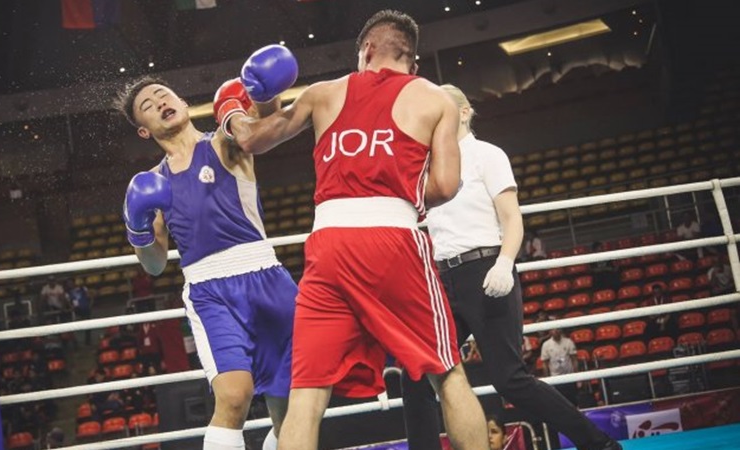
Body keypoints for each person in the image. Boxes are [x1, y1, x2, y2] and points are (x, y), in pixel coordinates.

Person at [218, 10, 487, 450]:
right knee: (446, 371)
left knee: (306, 394)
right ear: (412, 60)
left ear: (366, 50)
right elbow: (445, 185)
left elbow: (251, 139)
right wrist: (395, 185)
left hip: (329, 246)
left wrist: (234, 109)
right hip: (394, 241)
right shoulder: (436, 99)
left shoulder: (324, 92)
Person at [399, 86, 620, 450]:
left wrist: (504, 262)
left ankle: (600, 445)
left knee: (510, 380)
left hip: (485, 271)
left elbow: (512, 219)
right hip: (441, 279)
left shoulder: (488, 155)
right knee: (416, 372)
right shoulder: (428, 165)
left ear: (464, 112)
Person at [115, 43, 299, 450]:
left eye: (164, 94)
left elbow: (265, 127)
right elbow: (153, 265)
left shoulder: (225, 142)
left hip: (269, 279)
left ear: (182, 102)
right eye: (148, 105)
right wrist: (137, 229)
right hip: (211, 292)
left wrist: (265, 96)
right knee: (233, 397)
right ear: (144, 131)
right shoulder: (154, 182)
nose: (160, 102)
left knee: (290, 408)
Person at [540, 327, 580, 406]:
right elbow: (545, 364)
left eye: (557, 329)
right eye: (553, 330)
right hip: (555, 378)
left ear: (560, 330)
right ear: (550, 331)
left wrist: (577, 377)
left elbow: (574, 360)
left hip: (569, 376)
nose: (555, 331)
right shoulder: (546, 345)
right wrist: (548, 380)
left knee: (573, 402)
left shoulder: (568, 342)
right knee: (559, 403)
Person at [65, 278, 93, 345]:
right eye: (68, 283)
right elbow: (68, 302)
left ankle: (88, 341)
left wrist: (90, 305)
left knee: (88, 325)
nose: (70, 284)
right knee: (77, 327)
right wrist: (71, 307)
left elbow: (90, 296)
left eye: (71, 283)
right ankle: (77, 343)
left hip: (85, 309)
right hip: (77, 311)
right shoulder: (68, 293)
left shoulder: (82, 288)